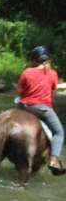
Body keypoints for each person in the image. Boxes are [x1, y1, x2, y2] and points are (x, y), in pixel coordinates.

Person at [16, 45, 65, 175]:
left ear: (34, 60)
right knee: (59, 132)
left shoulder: (26, 72)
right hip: (43, 109)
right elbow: (53, 89)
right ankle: (54, 159)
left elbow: (19, 91)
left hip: (25, 107)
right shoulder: (52, 73)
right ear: (47, 59)